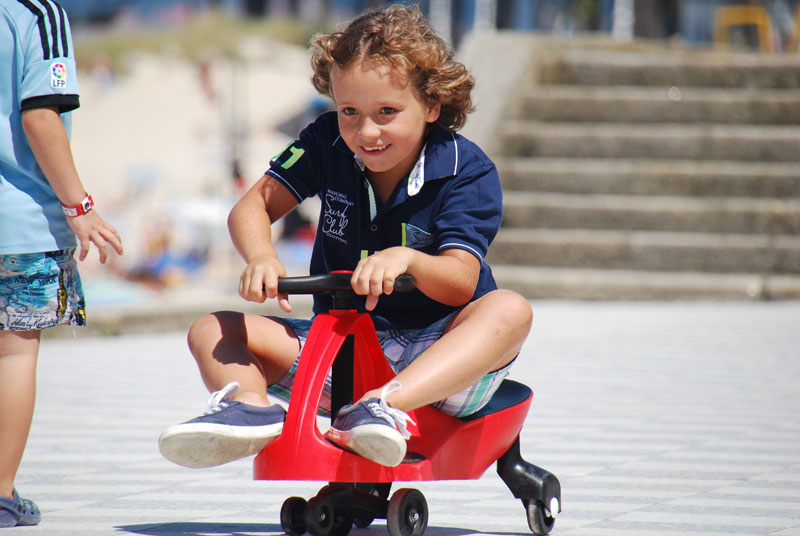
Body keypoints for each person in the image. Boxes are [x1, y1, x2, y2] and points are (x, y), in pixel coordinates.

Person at [158, 4, 532, 470]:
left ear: (432, 106)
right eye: (349, 111)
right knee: (211, 328)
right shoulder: (326, 142)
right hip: (341, 349)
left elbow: (459, 280)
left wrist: (409, 260)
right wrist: (260, 255)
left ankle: (386, 405)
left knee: (510, 310)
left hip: (438, 356)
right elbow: (251, 206)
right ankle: (250, 409)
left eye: (387, 112)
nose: (366, 131)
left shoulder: (465, 170)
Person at [0, 0, 123, 528]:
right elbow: (40, 114)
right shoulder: (36, 13)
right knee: (12, 356)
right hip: (18, 222)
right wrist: (80, 207)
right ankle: (1, 492)